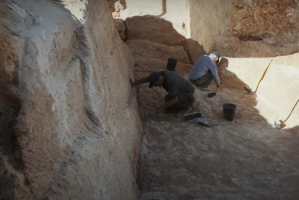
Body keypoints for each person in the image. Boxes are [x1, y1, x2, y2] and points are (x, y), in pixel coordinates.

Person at [130, 71, 195, 113]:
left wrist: (161, 108)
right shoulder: (161, 74)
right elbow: (148, 78)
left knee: (172, 104)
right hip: (182, 87)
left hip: (187, 92)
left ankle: (186, 106)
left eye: (156, 84)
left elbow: (175, 99)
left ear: (159, 80)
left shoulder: (171, 83)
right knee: (167, 98)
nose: (156, 86)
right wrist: (134, 83)